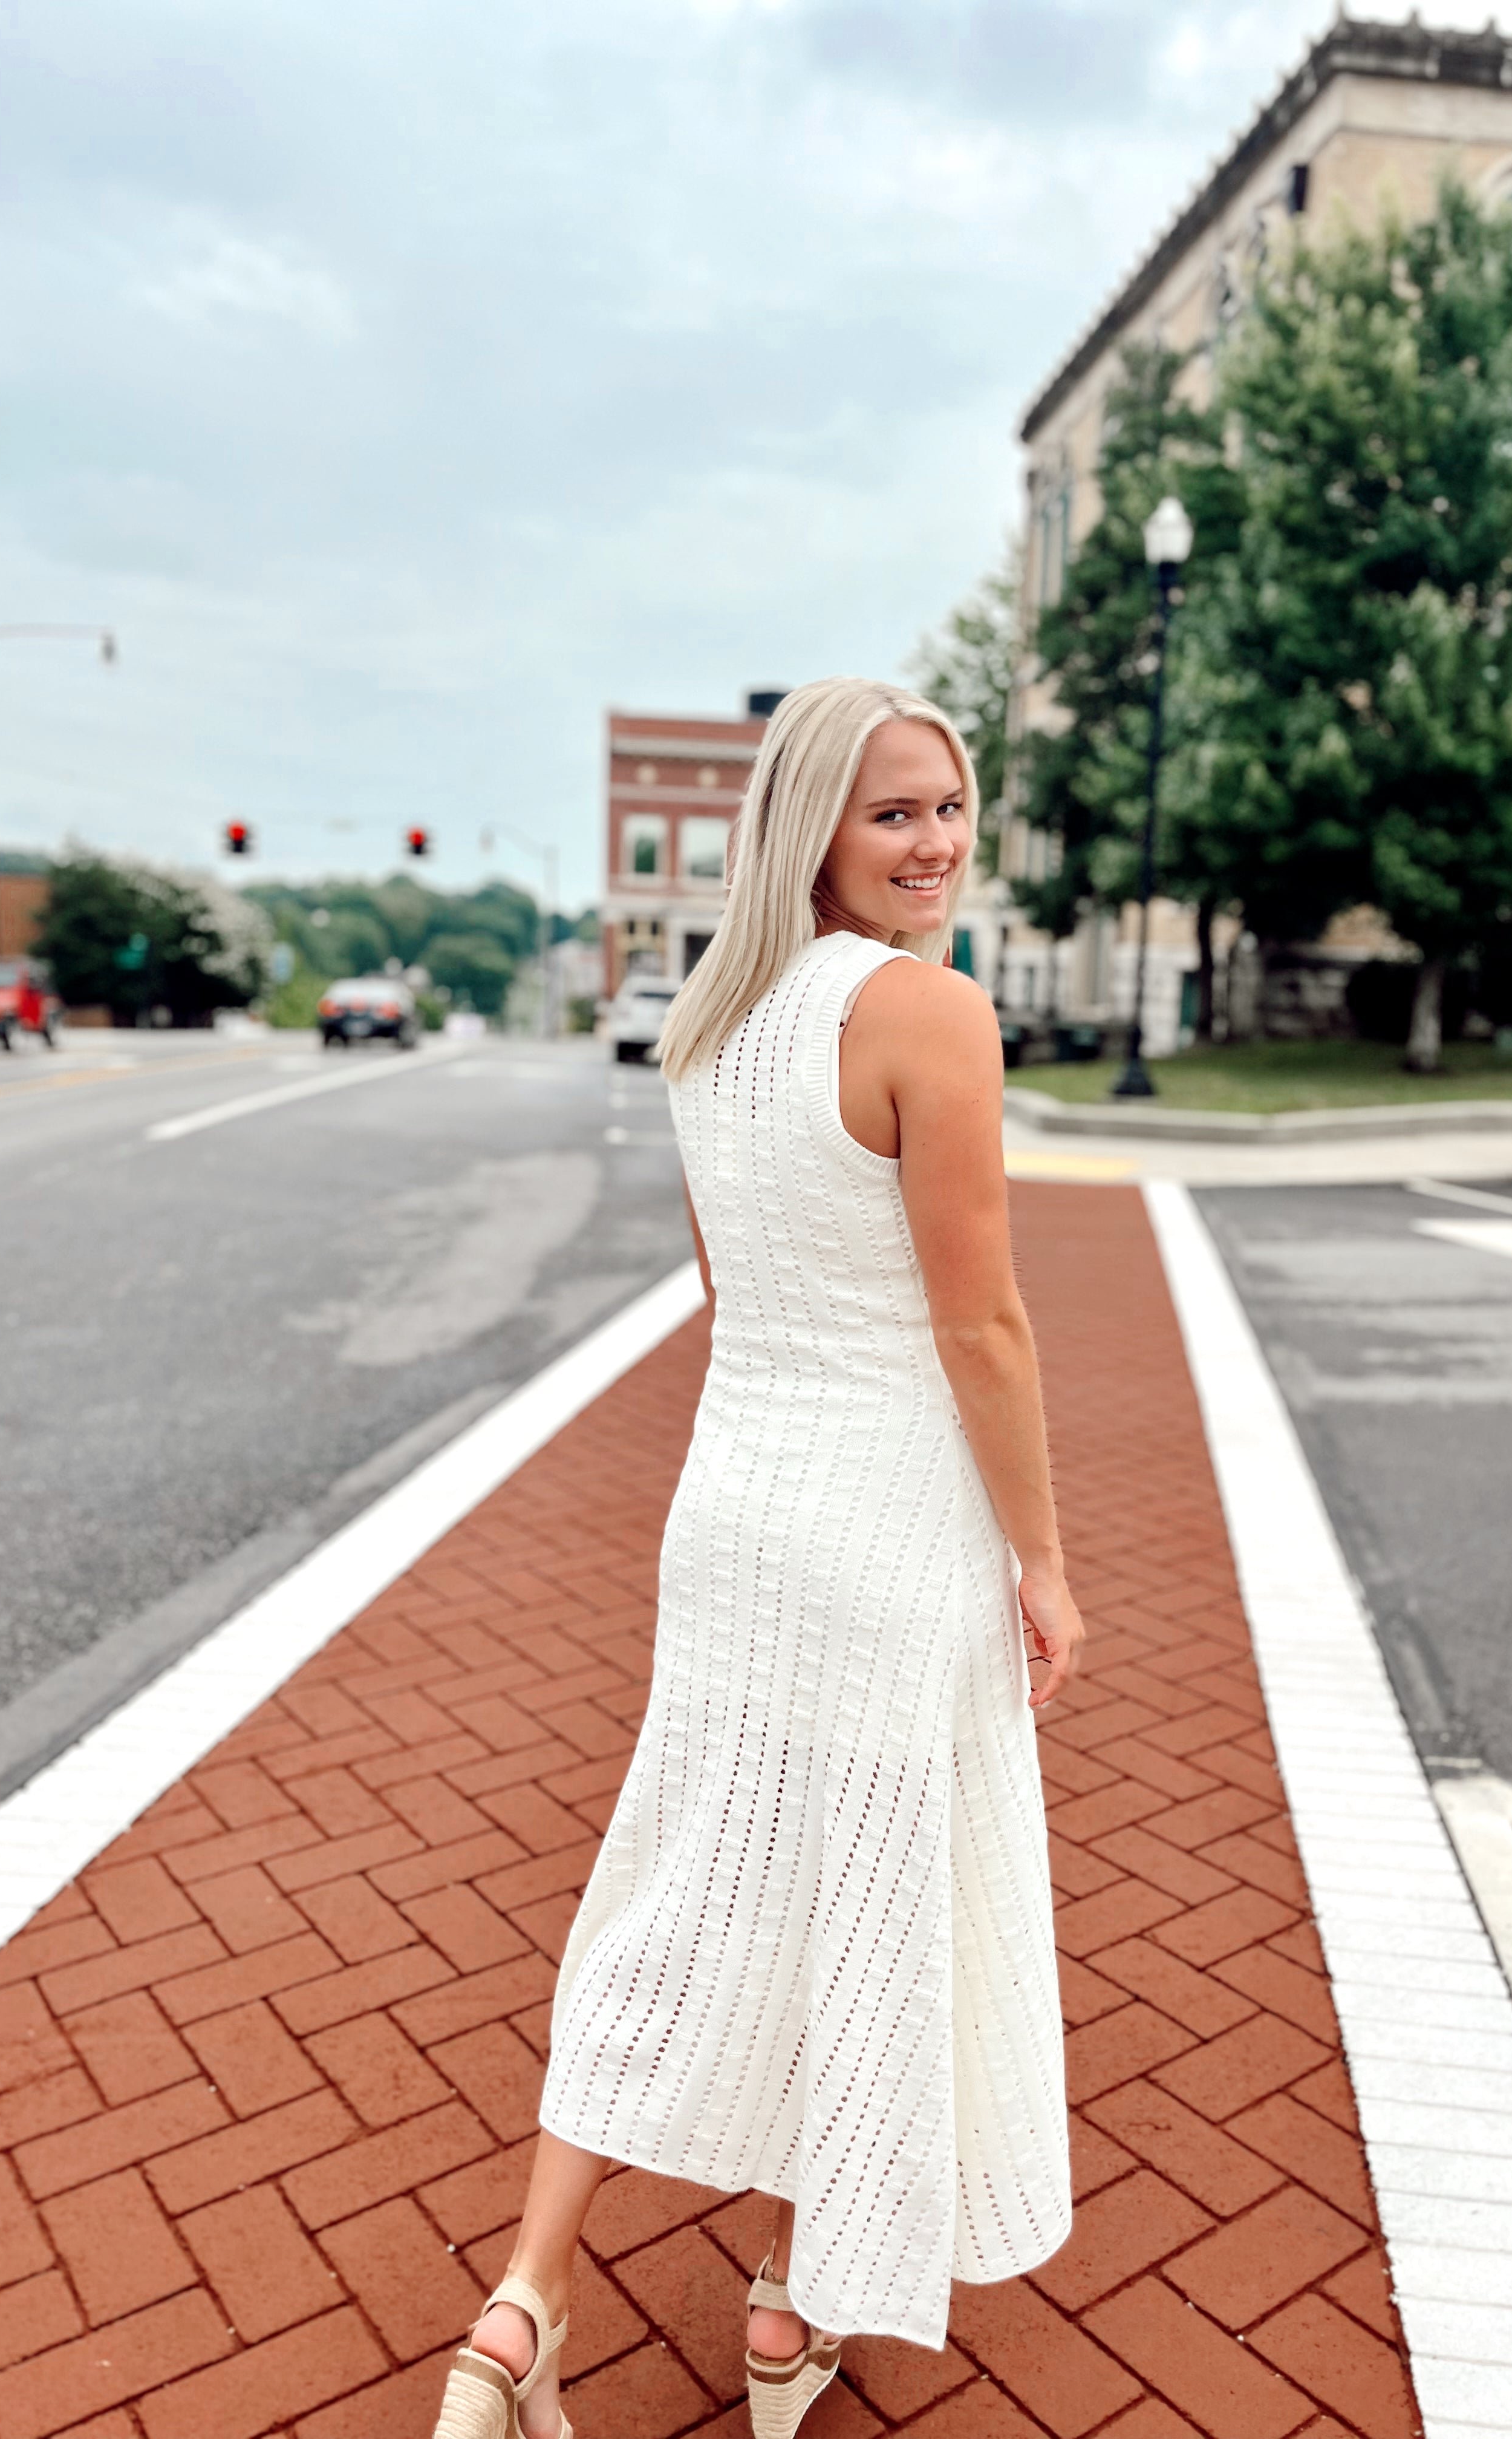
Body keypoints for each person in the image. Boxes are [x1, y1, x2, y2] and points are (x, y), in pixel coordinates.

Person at [431, 676, 1082, 2439]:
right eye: (895, 814)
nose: (937, 841)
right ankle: (786, 2308)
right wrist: (1042, 1555)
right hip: (888, 1525)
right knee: (858, 1905)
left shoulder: (711, 1024)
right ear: (815, 827)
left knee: (687, 1889)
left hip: (734, 1516)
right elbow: (988, 1333)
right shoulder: (924, 1014)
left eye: (951, 806)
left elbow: (732, 1298)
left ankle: (524, 2306)